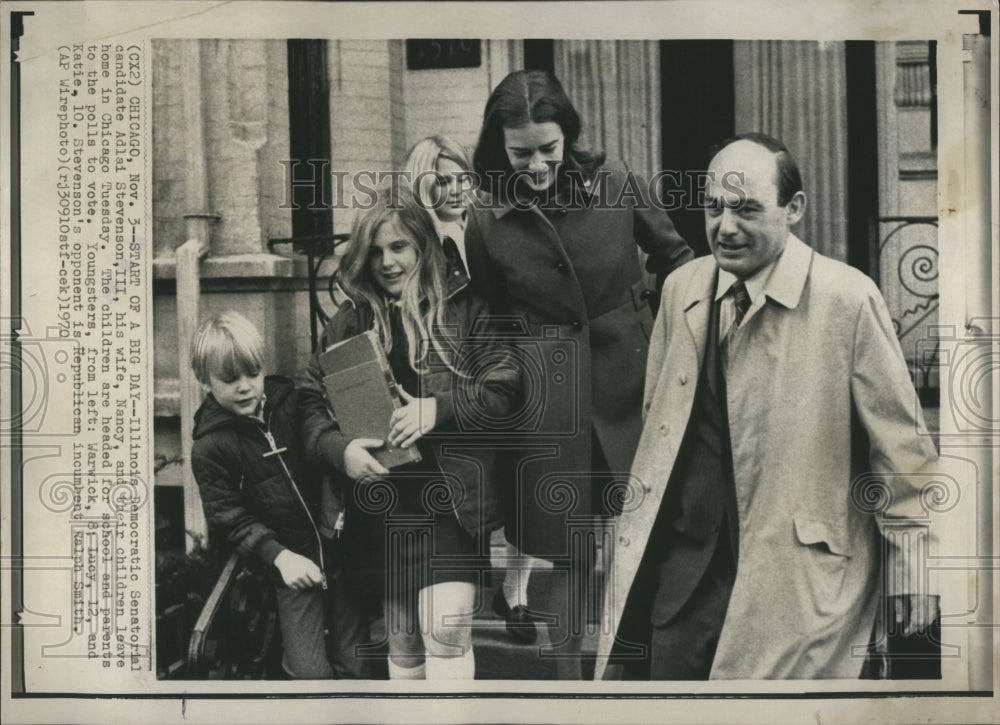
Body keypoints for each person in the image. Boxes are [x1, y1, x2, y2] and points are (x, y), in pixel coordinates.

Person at [595, 133, 940, 680]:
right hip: (683, 584)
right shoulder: (681, 289)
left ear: (793, 209)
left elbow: (903, 454)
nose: (725, 227)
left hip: (798, 586)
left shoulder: (847, 300)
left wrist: (915, 564)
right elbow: (655, 432)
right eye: (714, 208)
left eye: (747, 208)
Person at [464, 69, 694, 678]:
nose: (536, 166)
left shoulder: (615, 180)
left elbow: (678, 261)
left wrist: (667, 340)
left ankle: (634, 677)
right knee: (564, 552)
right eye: (520, 154)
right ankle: (568, 692)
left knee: (639, 538)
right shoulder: (486, 218)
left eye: (549, 149)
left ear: (569, 135)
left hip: (632, 383)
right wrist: (516, 372)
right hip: (548, 400)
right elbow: (488, 312)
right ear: (498, 146)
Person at [300, 184, 519, 680]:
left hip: (451, 499)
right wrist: (340, 451)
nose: (387, 262)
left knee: (446, 627)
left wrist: (437, 410)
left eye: (398, 246)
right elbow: (310, 399)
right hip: (382, 502)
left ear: (422, 244)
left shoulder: (465, 307)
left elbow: (506, 390)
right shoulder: (351, 317)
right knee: (402, 637)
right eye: (375, 251)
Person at [405, 133, 542, 645]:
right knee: (472, 481)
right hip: (453, 368)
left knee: (526, 472)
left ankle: (517, 591)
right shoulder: (415, 241)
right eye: (442, 180)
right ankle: (467, 575)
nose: (456, 189)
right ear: (423, 184)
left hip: (508, 357)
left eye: (463, 177)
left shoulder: (487, 227)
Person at [188, 311, 368, 679]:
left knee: (356, 660)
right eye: (229, 378)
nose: (245, 386)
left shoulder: (291, 402)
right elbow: (230, 518)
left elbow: (323, 438)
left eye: (252, 373)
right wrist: (280, 558)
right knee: (309, 673)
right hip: (289, 563)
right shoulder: (210, 447)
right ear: (204, 381)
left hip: (338, 548)